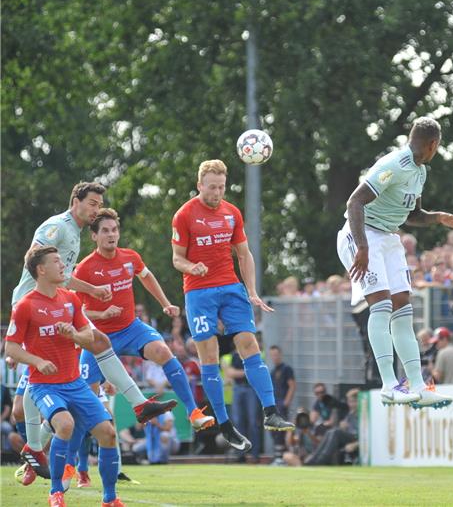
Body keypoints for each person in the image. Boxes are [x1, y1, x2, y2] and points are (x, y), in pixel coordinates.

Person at [10, 182, 174, 487]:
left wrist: (89, 291)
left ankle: (140, 404)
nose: (96, 210)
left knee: (99, 342)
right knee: (27, 400)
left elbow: (64, 277)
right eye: (93, 204)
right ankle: (34, 452)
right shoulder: (58, 227)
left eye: (99, 205)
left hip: (57, 308)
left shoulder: (74, 233)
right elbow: (33, 258)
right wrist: (38, 306)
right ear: (76, 201)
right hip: (37, 312)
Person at [337, 116, 453, 408]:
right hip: (362, 235)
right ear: (434, 144)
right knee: (380, 307)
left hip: (389, 238)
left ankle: (418, 387)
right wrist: (362, 247)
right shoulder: (393, 164)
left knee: (403, 312)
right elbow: (354, 202)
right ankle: (388, 385)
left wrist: (437, 217)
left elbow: (412, 215)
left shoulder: (419, 173)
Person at [171, 159, 294, 452]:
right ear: (200, 185)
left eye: (221, 187)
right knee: (210, 355)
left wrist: (251, 290)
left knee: (250, 344)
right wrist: (191, 266)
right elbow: (176, 259)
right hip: (199, 292)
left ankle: (271, 412)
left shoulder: (231, 213)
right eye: (211, 187)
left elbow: (244, 254)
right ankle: (225, 425)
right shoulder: (184, 215)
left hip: (230, 286)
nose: (217, 192)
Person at [73, 208, 214, 431]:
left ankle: (193, 412)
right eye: (105, 231)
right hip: (97, 337)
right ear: (94, 236)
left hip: (130, 329)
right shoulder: (84, 269)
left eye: (115, 230)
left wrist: (165, 303)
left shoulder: (130, 257)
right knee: (86, 404)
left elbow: (146, 277)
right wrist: (101, 314)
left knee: (164, 352)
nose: (111, 235)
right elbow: (75, 313)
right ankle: (75, 464)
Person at [5, 245, 124, 507]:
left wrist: (72, 335)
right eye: (57, 261)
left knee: (108, 433)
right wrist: (37, 361)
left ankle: (110, 499)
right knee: (66, 425)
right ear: (41, 269)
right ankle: (55, 492)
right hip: (44, 386)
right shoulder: (25, 306)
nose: (63, 266)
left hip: (75, 383)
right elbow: (10, 347)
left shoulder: (71, 299)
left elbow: (89, 337)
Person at [269, 346, 296, 450]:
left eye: (276, 355)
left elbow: (292, 385)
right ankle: (278, 454)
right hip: (274, 404)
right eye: (272, 355)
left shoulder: (286, 369)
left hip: (281, 404)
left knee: (281, 430)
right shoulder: (272, 371)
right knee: (273, 429)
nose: (274, 357)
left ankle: (283, 453)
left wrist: (286, 402)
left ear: (280, 355)